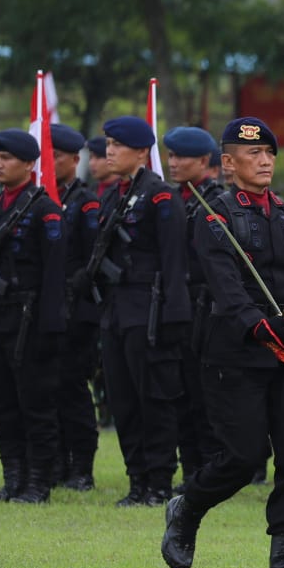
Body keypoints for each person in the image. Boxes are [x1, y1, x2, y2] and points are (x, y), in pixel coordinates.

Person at [161, 117, 284, 568]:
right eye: (253, 154)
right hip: (236, 353)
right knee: (243, 458)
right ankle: (188, 507)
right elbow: (226, 288)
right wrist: (260, 327)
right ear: (227, 163)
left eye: (269, 154)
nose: (264, 162)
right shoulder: (214, 215)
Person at [78, 117, 190, 506]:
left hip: (149, 311)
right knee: (122, 400)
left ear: (142, 152)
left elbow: (175, 263)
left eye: (117, 145)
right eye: (107, 144)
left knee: (153, 398)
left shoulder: (161, 197)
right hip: (115, 311)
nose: (109, 152)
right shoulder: (113, 195)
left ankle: (158, 482)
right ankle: (137, 480)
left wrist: (175, 318)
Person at [0, 130, 67, 502]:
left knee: (35, 405)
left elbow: (54, 275)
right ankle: (13, 478)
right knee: (0, 403)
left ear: (30, 164)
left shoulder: (44, 209)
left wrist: (51, 328)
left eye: (7, 159)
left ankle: (38, 482)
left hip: (28, 322)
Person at [165, 126, 224, 493]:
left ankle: (209, 471)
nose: (173, 163)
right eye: (170, 156)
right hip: (177, 305)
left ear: (204, 161)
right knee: (180, 393)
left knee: (206, 396)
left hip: (206, 309)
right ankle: (191, 470)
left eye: (181, 157)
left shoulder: (217, 201)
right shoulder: (172, 199)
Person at [49, 123, 100, 490]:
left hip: (77, 311)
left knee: (73, 387)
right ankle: (56, 462)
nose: (48, 163)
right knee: (48, 388)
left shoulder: (85, 202)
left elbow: (92, 258)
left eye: (55, 156)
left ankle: (81, 466)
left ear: (72, 159)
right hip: (47, 310)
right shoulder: (42, 199)